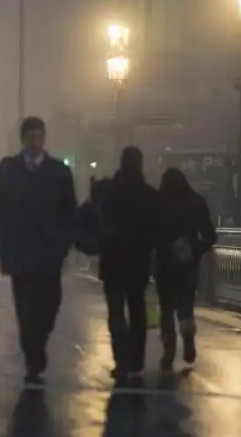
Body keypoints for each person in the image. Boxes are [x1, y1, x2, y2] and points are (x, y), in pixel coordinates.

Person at [0, 116, 77, 385]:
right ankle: (33, 357)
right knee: (25, 309)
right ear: (23, 138)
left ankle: (38, 343)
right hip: (20, 251)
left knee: (50, 304)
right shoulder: (8, 170)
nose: (36, 142)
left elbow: (69, 211)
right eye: (31, 137)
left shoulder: (59, 172)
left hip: (49, 252)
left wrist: (64, 243)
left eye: (39, 136)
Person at [97, 146, 161, 381]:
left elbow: (96, 221)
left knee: (115, 312)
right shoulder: (150, 196)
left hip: (112, 261)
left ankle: (121, 359)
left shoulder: (108, 192)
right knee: (137, 309)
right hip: (138, 262)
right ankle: (137, 360)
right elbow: (158, 231)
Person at [155, 167, 216, 371]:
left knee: (166, 308)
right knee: (185, 305)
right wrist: (194, 249)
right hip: (187, 264)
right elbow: (209, 235)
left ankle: (168, 350)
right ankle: (188, 337)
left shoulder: (158, 203)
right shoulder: (195, 202)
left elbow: (149, 233)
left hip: (164, 263)